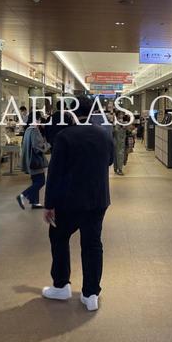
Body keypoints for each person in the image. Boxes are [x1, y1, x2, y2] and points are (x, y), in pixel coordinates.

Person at [41, 97, 114, 312]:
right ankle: (91, 294)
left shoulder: (64, 136)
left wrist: (49, 204)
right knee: (92, 244)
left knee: (59, 238)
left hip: (68, 201)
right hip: (98, 199)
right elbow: (110, 161)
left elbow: (54, 173)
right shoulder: (104, 134)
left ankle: (61, 285)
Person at [17, 111, 50, 210]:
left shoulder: (28, 129)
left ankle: (34, 202)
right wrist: (47, 145)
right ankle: (23, 195)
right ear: (38, 120)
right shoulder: (35, 130)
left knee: (35, 180)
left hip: (30, 160)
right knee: (41, 181)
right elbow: (37, 147)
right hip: (35, 161)